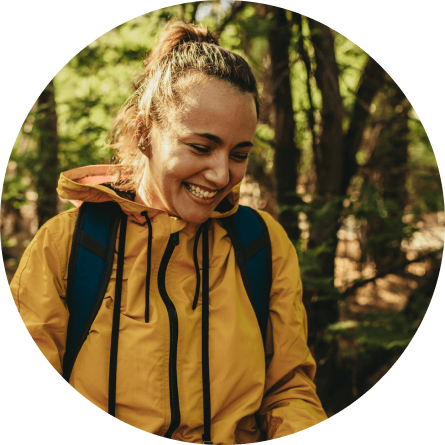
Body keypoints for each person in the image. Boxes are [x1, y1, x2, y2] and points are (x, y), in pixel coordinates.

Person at [9, 20, 328, 445]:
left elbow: (290, 390)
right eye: (200, 147)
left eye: (239, 154)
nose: (220, 174)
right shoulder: (65, 249)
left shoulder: (262, 245)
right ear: (144, 133)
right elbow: (31, 418)